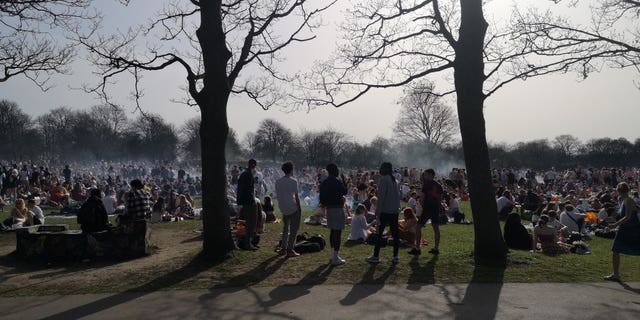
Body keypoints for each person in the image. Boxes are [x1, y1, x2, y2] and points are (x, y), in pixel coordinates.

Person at [604, 182, 640, 282]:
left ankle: (616, 275)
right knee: (616, 250)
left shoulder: (628, 200)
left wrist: (615, 225)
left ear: (619, 191)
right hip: (626, 229)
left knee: (616, 250)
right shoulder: (625, 200)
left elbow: (627, 216)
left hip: (631, 229)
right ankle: (615, 274)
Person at [367, 162, 402, 264]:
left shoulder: (383, 180)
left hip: (385, 210)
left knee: (379, 233)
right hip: (394, 211)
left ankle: (376, 256)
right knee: (395, 234)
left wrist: (378, 209)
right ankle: (395, 256)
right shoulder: (395, 181)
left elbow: (381, 197)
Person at [319, 163, 348, 265]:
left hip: (329, 209)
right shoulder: (337, 181)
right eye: (337, 170)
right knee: (338, 233)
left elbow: (321, 198)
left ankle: (333, 255)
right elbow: (345, 191)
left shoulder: (324, 182)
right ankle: (335, 257)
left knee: (332, 231)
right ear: (334, 170)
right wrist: (344, 180)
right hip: (338, 208)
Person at [411, 169, 443, 255]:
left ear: (430, 175)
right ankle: (436, 248)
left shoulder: (426, 184)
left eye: (426, 174)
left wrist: (421, 206)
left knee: (418, 227)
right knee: (436, 228)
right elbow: (440, 199)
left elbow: (422, 198)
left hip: (427, 209)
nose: (424, 176)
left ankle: (417, 248)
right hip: (435, 208)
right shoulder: (439, 185)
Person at [275, 161, 302, 257]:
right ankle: (290, 250)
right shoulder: (293, 181)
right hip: (292, 208)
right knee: (294, 229)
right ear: (291, 170)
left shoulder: (278, 182)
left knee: (285, 229)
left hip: (283, 208)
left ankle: (283, 248)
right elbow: (296, 196)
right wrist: (299, 208)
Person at [237, 159, 259, 250]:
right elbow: (248, 190)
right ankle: (248, 244)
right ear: (253, 165)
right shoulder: (248, 175)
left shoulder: (244, 174)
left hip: (245, 201)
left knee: (249, 223)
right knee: (251, 223)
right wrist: (252, 200)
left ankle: (249, 242)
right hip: (249, 201)